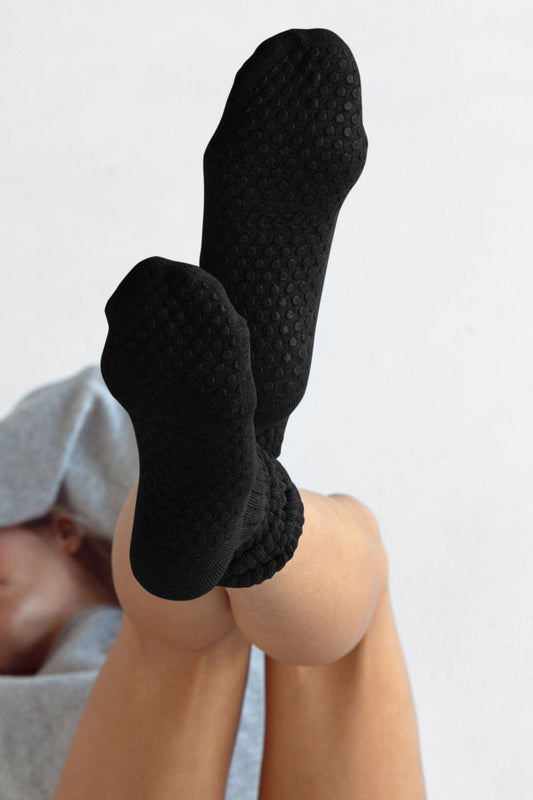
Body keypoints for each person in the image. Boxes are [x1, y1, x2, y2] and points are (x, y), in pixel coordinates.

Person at [53, 26, 427, 800]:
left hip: (184, 617)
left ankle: (240, 505)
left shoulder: (43, 478)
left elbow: (106, 413)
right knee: (332, 640)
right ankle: (254, 504)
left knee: (178, 632)